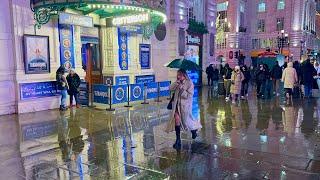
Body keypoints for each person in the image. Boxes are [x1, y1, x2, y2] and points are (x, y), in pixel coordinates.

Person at [165, 69, 202, 149]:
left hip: (185, 106)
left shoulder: (190, 83)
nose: (179, 76)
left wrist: (182, 89)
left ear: (184, 75)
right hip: (176, 106)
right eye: (178, 75)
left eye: (180, 75)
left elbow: (189, 96)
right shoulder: (177, 82)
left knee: (186, 122)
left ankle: (193, 130)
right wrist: (176, 84)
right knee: (177, 120)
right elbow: (170, 88)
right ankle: (178, 140)